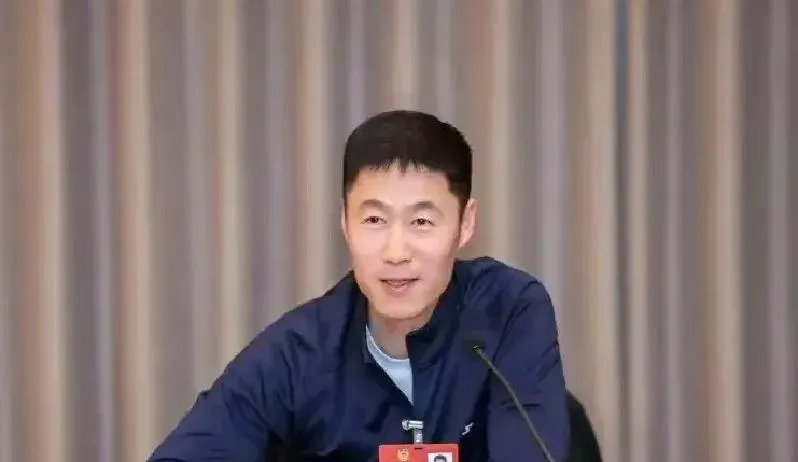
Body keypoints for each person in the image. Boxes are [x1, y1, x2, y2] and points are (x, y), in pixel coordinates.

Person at [148, 110, 570, 462]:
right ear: (344, 222)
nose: (396, 251)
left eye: (422, 221)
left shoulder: (506, 312)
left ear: (466, 223)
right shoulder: (301, 353)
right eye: (374, 220)